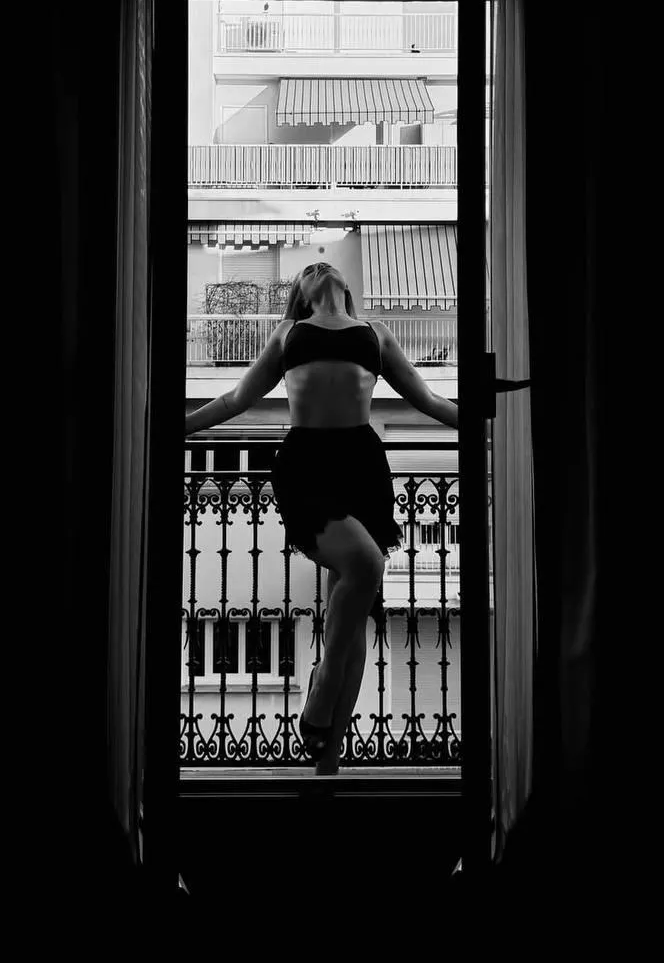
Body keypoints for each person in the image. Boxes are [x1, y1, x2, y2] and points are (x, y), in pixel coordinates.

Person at [184, 261, 458, 775]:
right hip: (308, 466)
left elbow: (427, 399)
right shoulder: (290, 333)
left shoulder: (376, 333)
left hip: (361, 466)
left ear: (343, 285)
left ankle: (327, 759)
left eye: (323, 265)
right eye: (307, 270)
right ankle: (322, 690)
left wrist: (491, 418)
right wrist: (175, 427)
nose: (318, 268)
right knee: (366, 566)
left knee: (350, 624)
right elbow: (235, 399)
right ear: (301, 294)